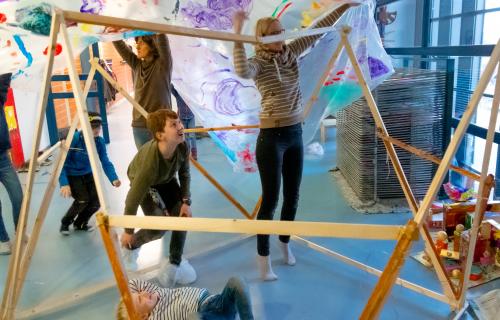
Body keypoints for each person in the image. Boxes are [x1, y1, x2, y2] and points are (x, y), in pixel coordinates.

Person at [232, 4, 354, 280]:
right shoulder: (258, 63)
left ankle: (284, 244)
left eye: (281, 31)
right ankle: (263, 258)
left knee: (293, 196)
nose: (281, 36)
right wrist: (237, 32)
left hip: (294, 134)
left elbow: (317, 31)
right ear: (262, 37)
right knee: (271, 200)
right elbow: (241, 71)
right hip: (271, 138)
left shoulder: (290, 52)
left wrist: (345, 5)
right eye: (274, 33)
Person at [120, 109, 195, 287]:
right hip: (147, 182)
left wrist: (186, 202)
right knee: (159, 226)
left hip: (166, 179)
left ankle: (175, 263)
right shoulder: (149, 164)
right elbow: (132, 200)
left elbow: (184, 174)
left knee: (182, 218)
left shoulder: (183, 146)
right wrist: (128, 231)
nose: (180, 127)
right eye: (173, 125)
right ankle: (131, 246)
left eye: (179, 122)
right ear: (160, 135)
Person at [59, 112, 121, 235]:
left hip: (88, 173)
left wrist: (113, 178)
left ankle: (80, 223)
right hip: (73, 174)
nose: (96, 130)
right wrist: (64, 183)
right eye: (92, 127)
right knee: (83, 199)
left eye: (98, 127)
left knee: (96, 201)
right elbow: (62, 163)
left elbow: (105, 161)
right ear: (85, 126)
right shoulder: (75, 138)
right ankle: (65, 223)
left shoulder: (99, 141)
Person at [113, 34, 173, 149]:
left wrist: (151, 24)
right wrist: (112, 30)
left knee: (163, 163)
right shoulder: (137, 65)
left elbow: (162, 38)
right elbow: (119, 45)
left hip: (162, 124)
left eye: (141, 43)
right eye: (137, 43)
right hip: (140, 125)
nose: (137, 47)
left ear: (152, 45)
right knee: (146, 164)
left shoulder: (163, 65)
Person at [116, 276, 254, 320]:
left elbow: (132, 283)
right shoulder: (155, 317)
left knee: (237, 282)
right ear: (143, 317)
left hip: (215, 302)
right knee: (193, 318)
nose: (144, 293)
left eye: (140, 293)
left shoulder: (155, 292)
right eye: (140, 299)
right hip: (203, 313)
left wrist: (134, 297)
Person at [0, 73, 23, 255]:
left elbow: (3, 81)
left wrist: (6, 64)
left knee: (18, 197)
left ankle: (20, 231)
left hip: (2, 158)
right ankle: (3, 240)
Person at [172, 85, 198, 160]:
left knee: (192, 135)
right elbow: (171, 88)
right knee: (185, 136)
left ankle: (194, 153)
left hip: (191, 118)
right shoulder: (177, 94)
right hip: (182, 118)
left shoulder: (190, 94)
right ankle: (187, 152)